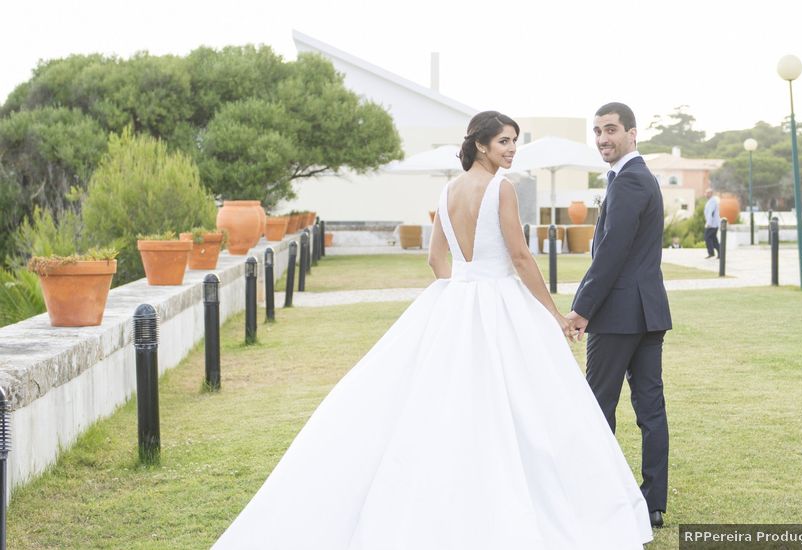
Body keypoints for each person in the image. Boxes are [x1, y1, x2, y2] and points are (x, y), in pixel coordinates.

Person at [213, 111, 653, 549]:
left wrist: (459, 289)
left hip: (454, 299)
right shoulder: (502, 188)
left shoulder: (447, 191)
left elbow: (434, 259)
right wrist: (555, 315)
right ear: (481, 145)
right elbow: (520, 258)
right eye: (503, 142)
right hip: (498, 300)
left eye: (514, 141)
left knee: (451, 401)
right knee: (516, 401)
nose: (512, 149)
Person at [566, 102, 673, 529]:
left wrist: (581, 309)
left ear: (632, 133)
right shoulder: (637, 177)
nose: (602, 139)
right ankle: (652, 503)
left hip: (618, 316)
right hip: (647, 312)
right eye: (596, 132)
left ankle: (599, 496)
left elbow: (612, 251)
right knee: (650, 409)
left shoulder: (628, 181)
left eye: (610, 130)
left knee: (597, 407)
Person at [703, 189, 721, 258]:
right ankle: (720, 253)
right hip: (713, 224)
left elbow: (711, 213)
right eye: (706, 193)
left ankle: (711, 253)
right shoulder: (710, 201)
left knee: (707, 237)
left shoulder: (713, 201)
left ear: (711, 193)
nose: (706, 194)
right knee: (713, 239)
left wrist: (708, 223)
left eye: (707, 193)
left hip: (712, 224)